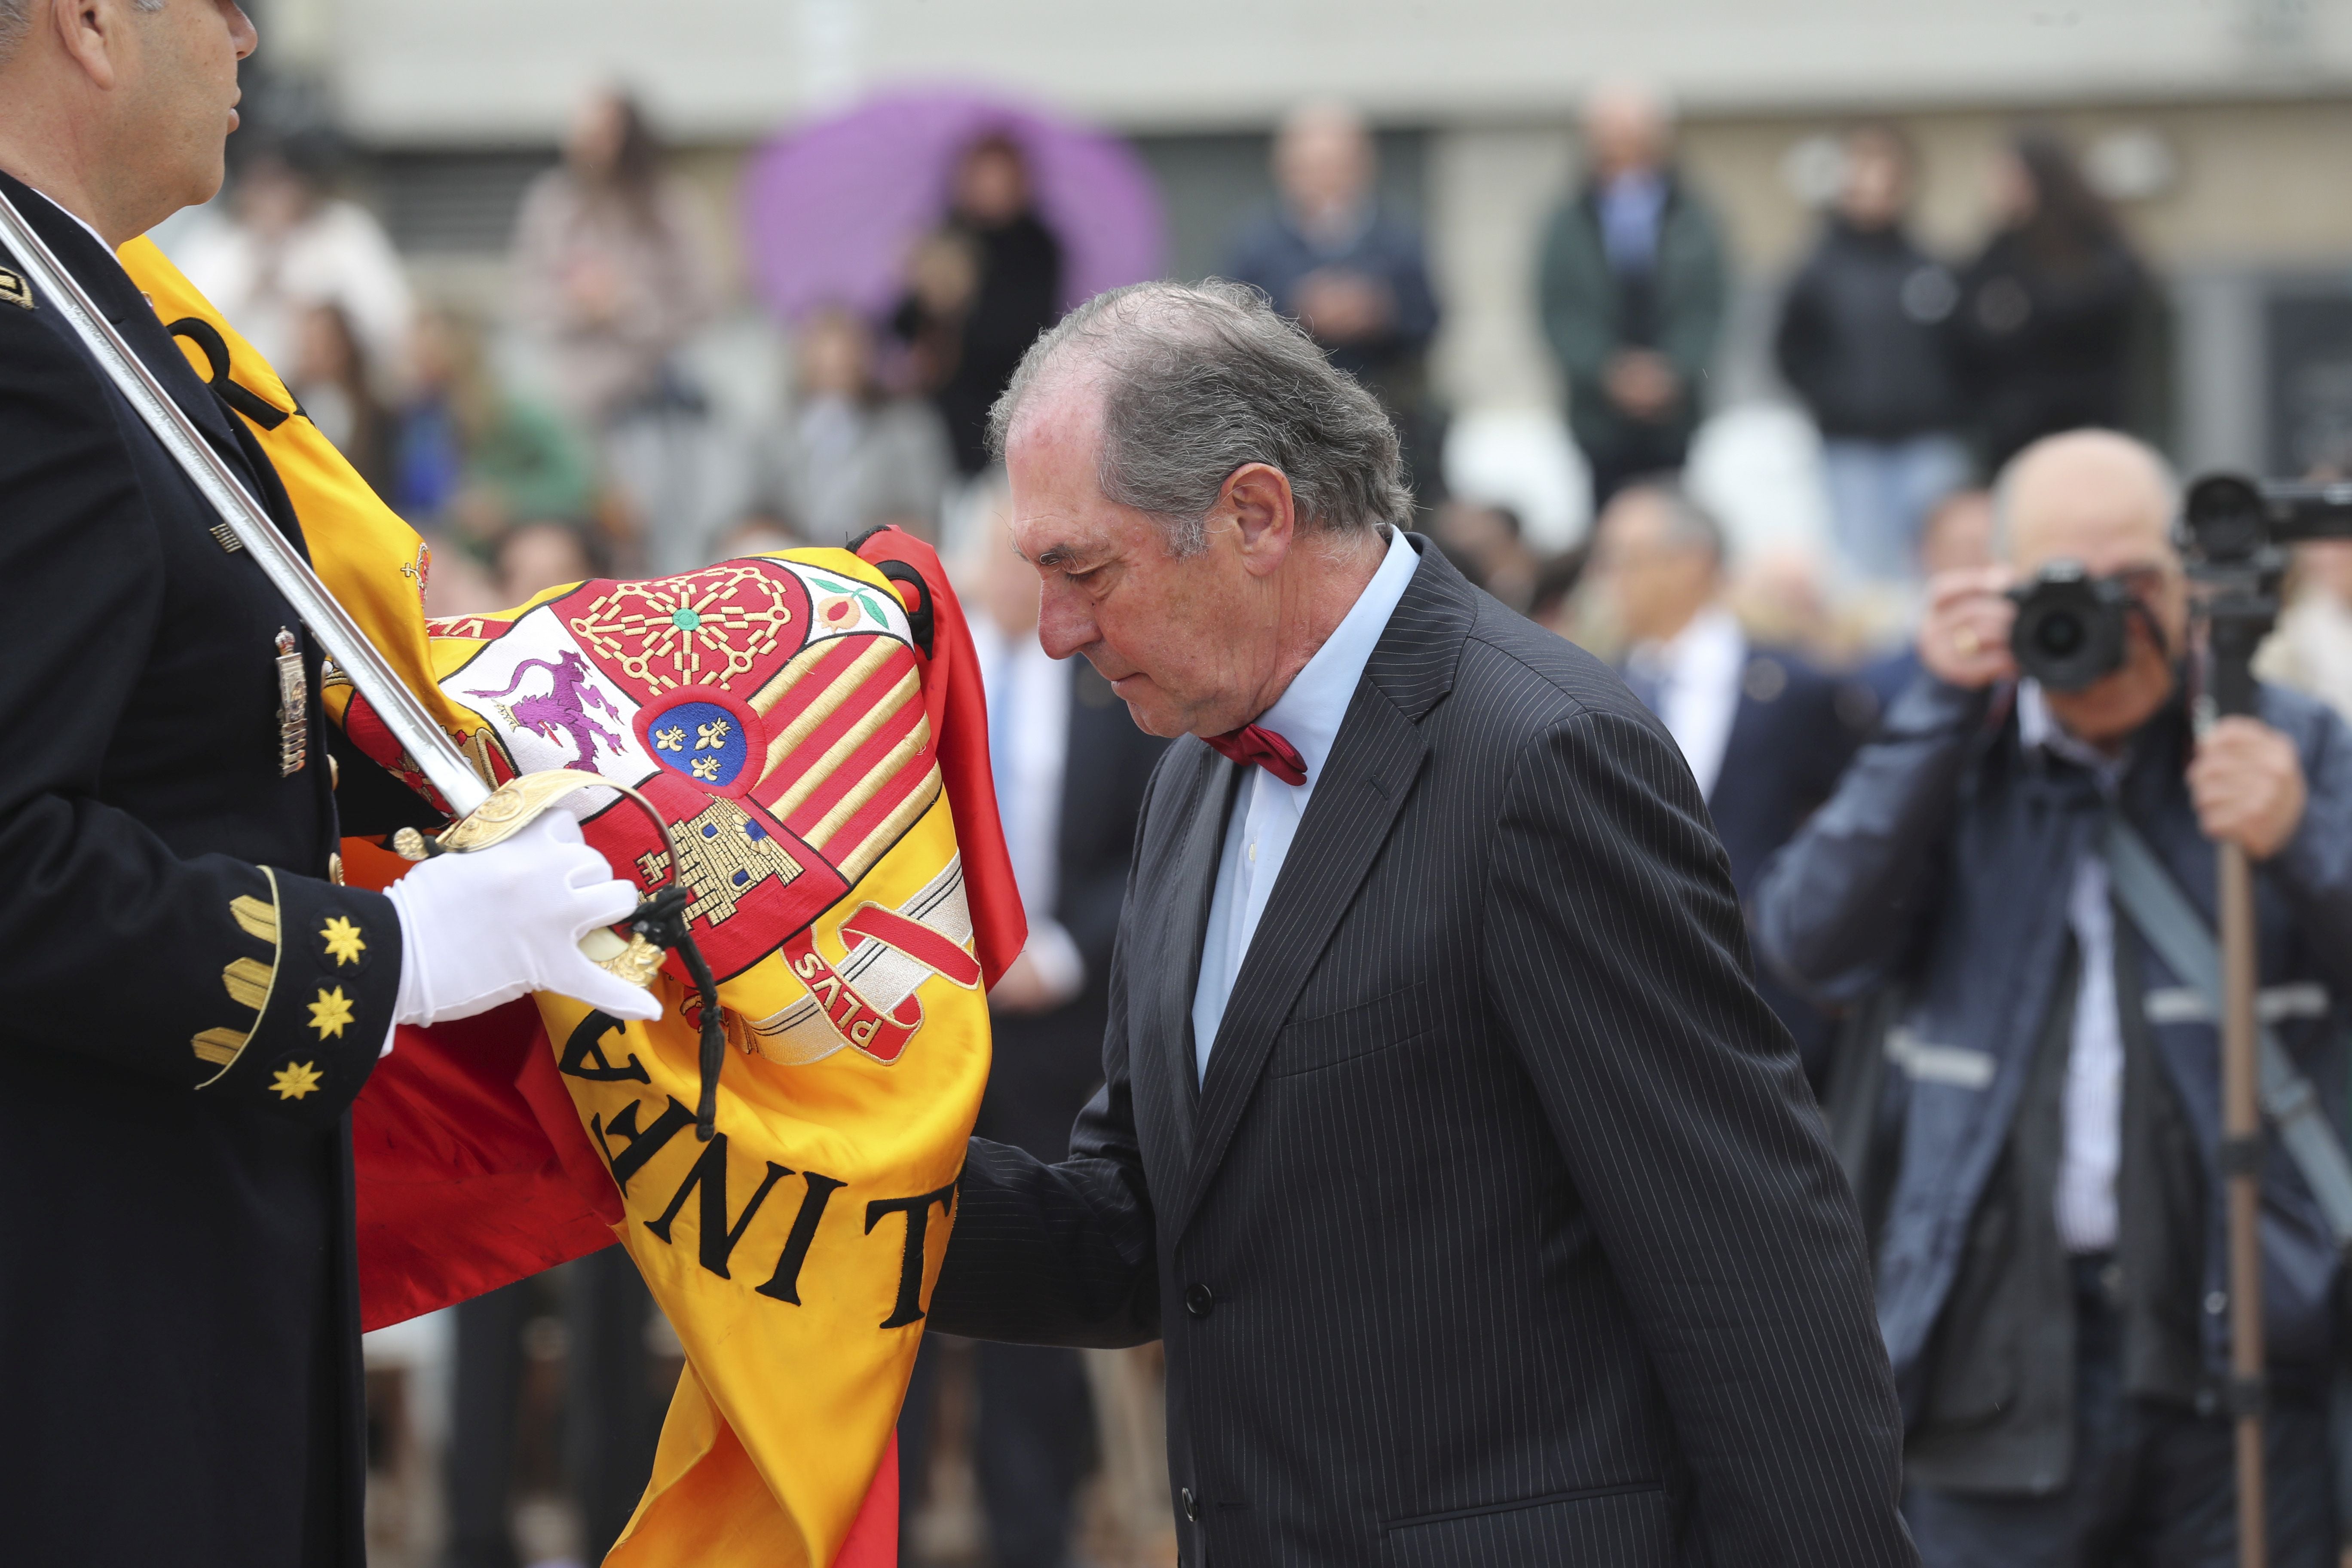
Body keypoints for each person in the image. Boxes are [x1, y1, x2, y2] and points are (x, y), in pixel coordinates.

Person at [923, 278, 1915, 1565]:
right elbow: (1140, 1230)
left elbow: (1750, 1264)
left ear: (1256, 514)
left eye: (1085, 570)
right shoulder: (1197, 767)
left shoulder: (1542, 757)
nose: (1054, 633)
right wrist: (805, 1171)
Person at [0, 4, 658, 1565]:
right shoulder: (31, 359)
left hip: (175, 1241)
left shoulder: (84, 315)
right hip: (91, 1296)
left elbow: (209, 722)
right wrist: (400, 953)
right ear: (90, 23)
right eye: (224, 3)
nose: (245, 42)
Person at [1755, 431, 2352, 1568]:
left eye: (2138, 583)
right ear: (2005, 589)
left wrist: (2305, 843)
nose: (2112, 621)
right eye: (2070, 586)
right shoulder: (1954, 753)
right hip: (1989, 1347)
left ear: (2189, 582)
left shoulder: (2284, 744)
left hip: (2241, 1352)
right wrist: (1938, 709)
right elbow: (1806, 943)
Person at [898, 475, 1169, 1568]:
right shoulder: (919, 686)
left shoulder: (1109, 685)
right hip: (930, 1020)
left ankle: (1029, 1535)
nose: (1017, 587)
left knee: (1042, 1276)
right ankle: (897, 1534)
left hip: (1063, 1020)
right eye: (999, 563)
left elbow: (1151, 834)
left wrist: (1059, 949)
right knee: (905, 1278)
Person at [1591, 478, 1873, 1079]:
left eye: (1625, 560)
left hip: (1772, 1001)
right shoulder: (1592, 688)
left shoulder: (1792, 688)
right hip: (1637, 1007)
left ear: (1692, 562)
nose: (1609, 579)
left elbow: (1857, 823)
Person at [1774, 124, 1971, 584]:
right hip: (1851, 449)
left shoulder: (1930, 267)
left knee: (1939, 567)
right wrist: (1832, 400)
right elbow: (1790, 351)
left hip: (1928, 444)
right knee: (1862, 577)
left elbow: (1962, 352)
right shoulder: (1817, 271)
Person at [1226, 101, 1440, 486]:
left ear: (1364, 166)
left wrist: (1380, 313)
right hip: (1288, 426)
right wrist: (1299, 313)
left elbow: (1430, 318)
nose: (1325, 178)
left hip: (1391, 415)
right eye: (1312, 166)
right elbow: (1232, 326)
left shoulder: (1399, 238)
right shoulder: (1257, 245)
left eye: (1337, 164)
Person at [1537, 81, 1728, 512]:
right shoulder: (1568, 222)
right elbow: (1559, 310)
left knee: (1673, 518)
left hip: (1675, 418)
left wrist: (1673, 369)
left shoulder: (1693, 217)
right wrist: (1610, 371)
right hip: (1598, 419)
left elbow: (1709, 305)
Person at [1947, 132, 2147, 473]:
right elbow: (1968, 328)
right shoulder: (1996, 254)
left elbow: (2100, 310)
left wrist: (2029, 310)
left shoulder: (2095, 250)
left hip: (2086, 431)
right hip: (2015, 439)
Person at [176, 129, 415, 397]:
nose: (272, 198)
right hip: (236, 398)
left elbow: (390, 321)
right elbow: (185, 325)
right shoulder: (217, 241)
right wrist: (254, 279)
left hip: (335, 395)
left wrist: (320, 308)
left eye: (282, 183)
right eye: (261, 183)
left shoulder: (343, 231)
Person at [894, 132, 1063, 478]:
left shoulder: (1037, 246)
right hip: (941, 409)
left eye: (1000, 177)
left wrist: (958, 304)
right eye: (983, 176)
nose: (991, 188)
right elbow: (902, 323)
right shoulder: (946, 234)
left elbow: (1027, 330)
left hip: (1005, 401)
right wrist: (921, 287)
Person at [738, 304, 953, 548]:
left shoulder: (908, 426)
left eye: (846, 354)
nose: (835, 364)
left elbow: (925, 519)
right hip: (793, 556)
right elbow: (744, 515)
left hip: (875, 554)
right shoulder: (773, 430)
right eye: (823, 354)